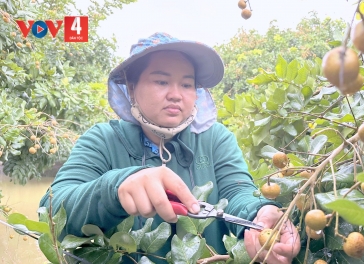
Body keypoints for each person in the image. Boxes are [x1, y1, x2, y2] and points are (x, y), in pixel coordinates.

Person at [39, 32, 300, 263]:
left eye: (187, 84)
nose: (176, 94)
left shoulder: (215, 139)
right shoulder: (102, 140)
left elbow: (238, 190)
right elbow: (52, 210)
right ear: (131, 87)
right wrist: (116, 188)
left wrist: (260, 212)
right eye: (161, 82)